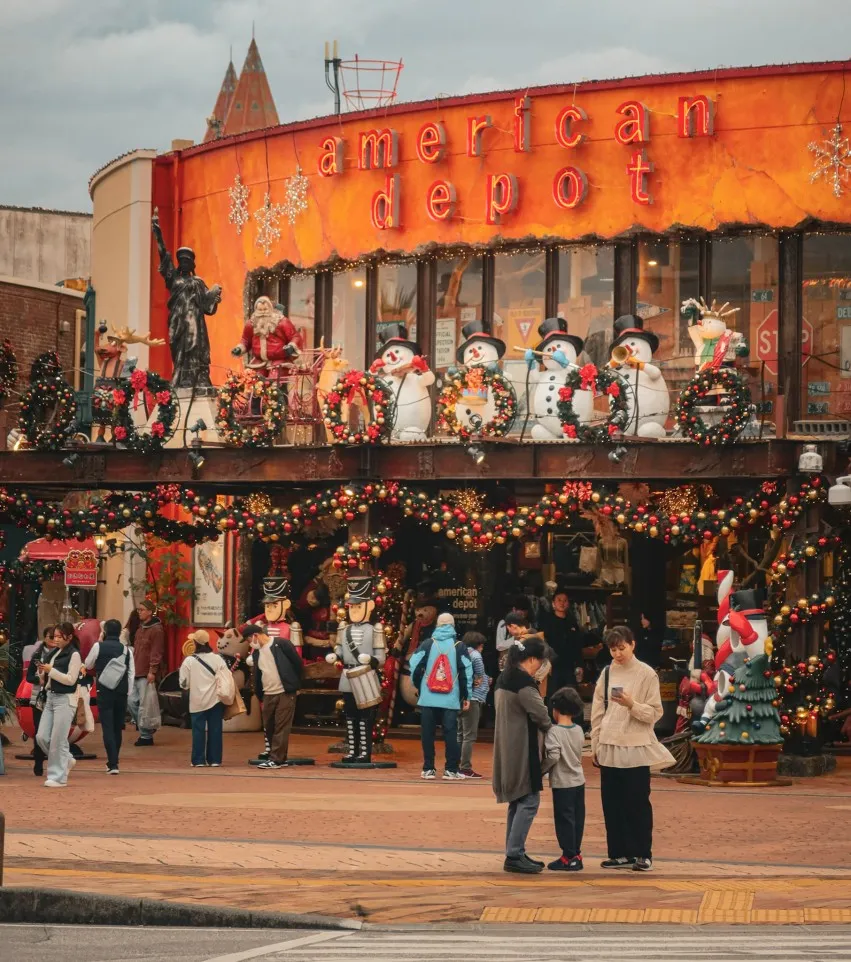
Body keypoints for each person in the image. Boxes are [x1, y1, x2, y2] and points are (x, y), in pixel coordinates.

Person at [591, 626, 675, 872]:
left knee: (637, 802)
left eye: (622, 648)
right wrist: (595, 743)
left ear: (632, 645)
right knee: (612, 803)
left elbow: (655, 713)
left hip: (635, 746)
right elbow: (598, 711)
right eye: (613, 649)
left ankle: (642, 853)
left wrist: (631, 704)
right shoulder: (607, 673)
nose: (617, 654)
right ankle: (618, 853)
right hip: (609, 744)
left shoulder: (646, 674)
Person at [493, 638, 552, 874]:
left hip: (507, 747)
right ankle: (514, 854)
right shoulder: (524, 683)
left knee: (517, 800)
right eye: (541, 662)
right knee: (529, 800)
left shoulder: (503, 679)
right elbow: (542, 715)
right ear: (532, 659)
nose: (540, 667)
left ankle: (515, 850)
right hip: (522, 749)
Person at [410, 613, 473, 781]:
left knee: (427, 734)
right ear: (452, 626)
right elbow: (467, 672)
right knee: (451, 734)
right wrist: (466, 695)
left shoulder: (427, 644)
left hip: (428, 697)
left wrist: (419, 686)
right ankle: (450, 769)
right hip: (450, 699)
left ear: (437, 625)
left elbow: (414, 665)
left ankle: (428, 769)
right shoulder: (459, 646)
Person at [244, 623, 303, 769]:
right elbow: (258, 674)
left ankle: (276, 759)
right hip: (268, 693)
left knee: (281, 726)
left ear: (255, 636)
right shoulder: (257, 653)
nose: (249, 643)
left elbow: (297, 663)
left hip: (285, 691)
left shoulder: (282, 644)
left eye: (249, 640)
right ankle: (279, 756)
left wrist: (294, 684)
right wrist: (259, 693)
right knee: (269, 725)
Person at [542, 687, 586, 872]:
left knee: (564, 819)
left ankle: (568, 856)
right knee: (577, 818)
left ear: (556, 709)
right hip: (579, 780)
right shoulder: (579, 730)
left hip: (563, 782)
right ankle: (576, 853)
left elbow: (553, 756)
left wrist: (541, 770)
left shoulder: (554, 732)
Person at [36, 622, 83, 788]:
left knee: (58, 739)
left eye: (59, 636)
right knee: (42, 737)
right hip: (50, 697)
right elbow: (47, 678)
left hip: (65, 699)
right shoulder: (53, 653)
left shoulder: (74, 654)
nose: (55, 639)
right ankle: (66, 759)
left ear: (69, 637)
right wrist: (42, 673)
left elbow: (71, 680)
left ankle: (58, 777)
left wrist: (51, 671)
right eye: (54, 636)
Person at [85, 618, 135, 774]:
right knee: (117, 727)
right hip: (121, 692)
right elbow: (131, 673)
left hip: (104, 690)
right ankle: (114, 760)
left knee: (107, 727)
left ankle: (112, 764)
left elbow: (88, 664)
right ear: (119, 632)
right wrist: (128, 692)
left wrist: (100, 641)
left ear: (105, 631)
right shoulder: (127, 650)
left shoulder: (98, 646)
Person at [179, 630, 227, 768]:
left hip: (197, 701)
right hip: (215, 700)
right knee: (215, 730)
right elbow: (225, 677)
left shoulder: (189, 661)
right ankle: (215, 759)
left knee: (198, 731)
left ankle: (198, 760)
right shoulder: (218, 659)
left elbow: (184, 683)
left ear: (195, 643)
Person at [540, 589, 600, 693]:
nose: (562, 603)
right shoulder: (547, 621)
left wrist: (580, 664)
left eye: (565, 600)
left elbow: (577, 645)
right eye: (559, 600)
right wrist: (546, 663)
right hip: (553, 666)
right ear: (553, 603)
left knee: (571, 695)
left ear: (568, 603)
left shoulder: (572, 621)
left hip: (570, 666)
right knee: (553, 695)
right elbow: (543, 643)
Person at [127, 600, 165, 747]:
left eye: (142, 610)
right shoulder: (140, 629)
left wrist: (152, 671)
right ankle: (146, 727)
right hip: (136, 671)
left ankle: (146, 735)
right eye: (139, 610)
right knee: (131, 702)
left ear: (150, 612)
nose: (139, 612)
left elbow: (156, 651)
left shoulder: (156, 630)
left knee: (144, 705)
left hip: (145, 673)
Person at [458, 631, 488, 778]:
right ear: (478, 644)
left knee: (460, 734)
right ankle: (465, 767)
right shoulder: (476, 655)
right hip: (473, 698)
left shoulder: (459, 653)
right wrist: (483, 679)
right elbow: (480, 674)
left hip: (459, 697)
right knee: (469, 735)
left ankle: (454, 765)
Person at [27, 626, 55, 777]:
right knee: (39, 731)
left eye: (57, 637)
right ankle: (38, 762)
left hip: (55, 696)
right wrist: (40, 679)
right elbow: (29, 677)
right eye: (51, 637)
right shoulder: (37, 655)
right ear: (45, 638)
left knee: (54, 732)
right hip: (39, 698)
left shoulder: (62, 654)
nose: (54, 640)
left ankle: (54, 763)